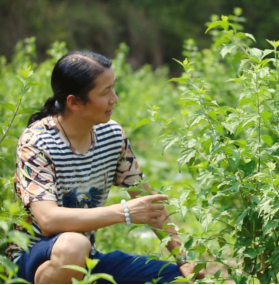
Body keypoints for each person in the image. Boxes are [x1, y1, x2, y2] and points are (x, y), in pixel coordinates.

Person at [7, 51, 205, 284]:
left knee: (177, 279)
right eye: (105, 92)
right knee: (74, 245)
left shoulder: (111, 135)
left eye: (113, 88)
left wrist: (184, 260)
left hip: (86, 260)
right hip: (33, 260)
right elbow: (48, 219)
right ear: (74, 102)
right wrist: (125, 212)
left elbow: (149, 203)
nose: (115, 98)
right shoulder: (37, 142)